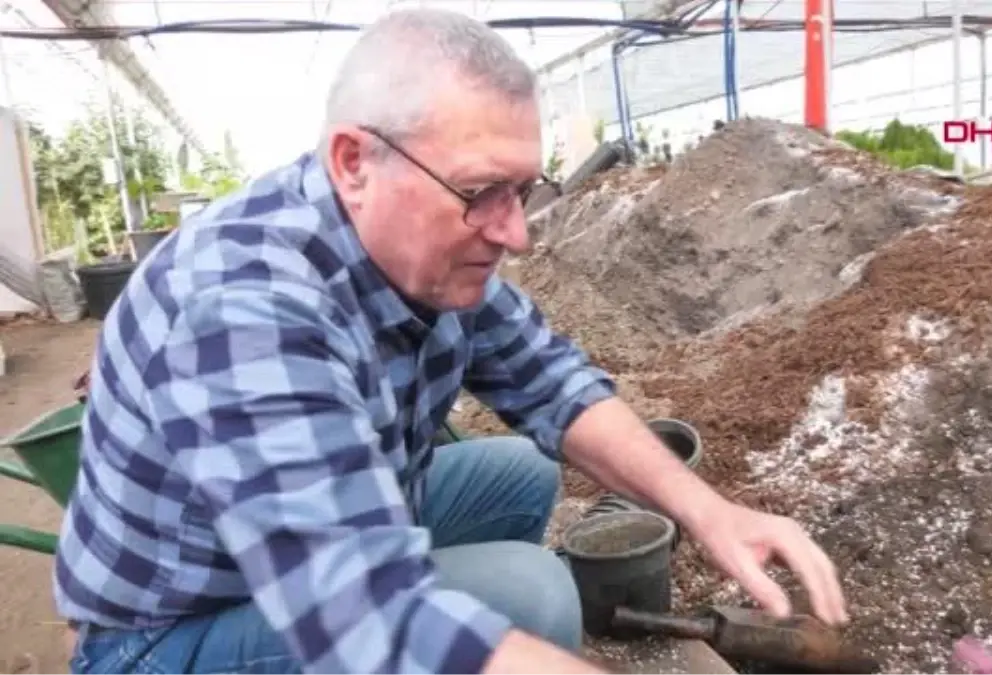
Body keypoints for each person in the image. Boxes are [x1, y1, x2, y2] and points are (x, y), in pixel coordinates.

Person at [54, 8, 847, 674]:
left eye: (524, 189)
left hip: (296, 538)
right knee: (530, 594)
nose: (515, 231)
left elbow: (550, 380)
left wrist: (711, 512)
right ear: (354, 161)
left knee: (524, 470)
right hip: (171, 629)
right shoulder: (245, 304)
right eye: (480, 193)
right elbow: (360, 612)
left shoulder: (416, 248)